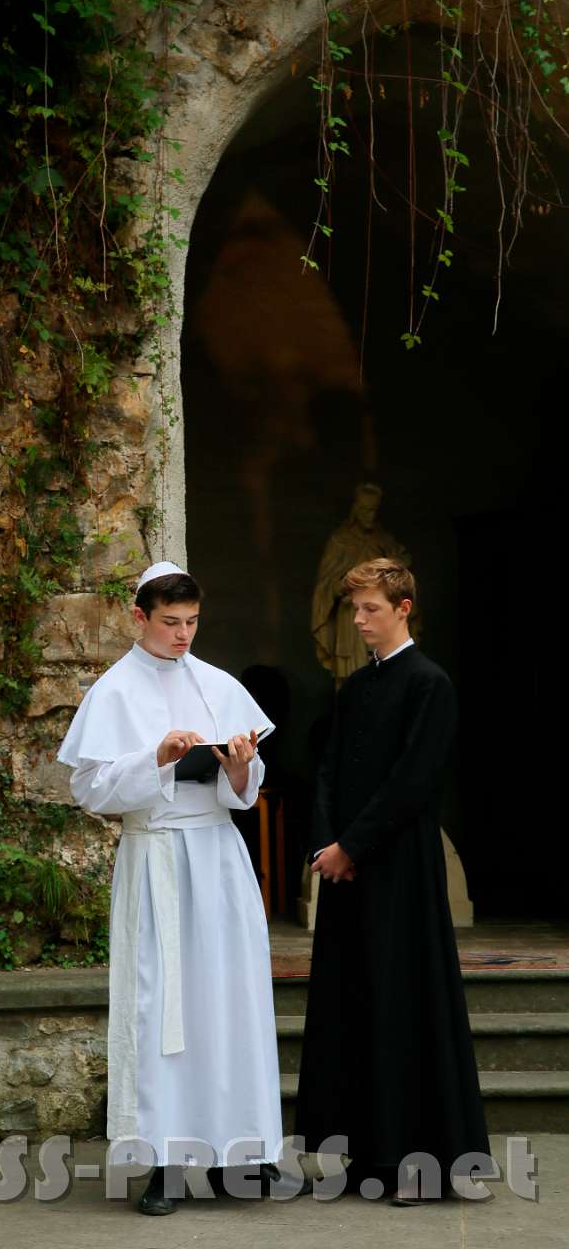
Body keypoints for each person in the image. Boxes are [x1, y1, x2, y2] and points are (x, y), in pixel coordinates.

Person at [57, 562, 283, 1214]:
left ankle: (237, 1153)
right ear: (138, 617)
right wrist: (154, 758)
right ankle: (162, 1163)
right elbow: (89, 788)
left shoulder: (216, 684)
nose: (182, 636)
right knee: (161, 1012)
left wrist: (240, 769)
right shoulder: (113, 691)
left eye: (191, 624)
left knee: (227, 1004)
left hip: (217, 858)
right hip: (155, 857)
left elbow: (247, 790)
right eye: (169, 623)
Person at [295, 558, 489, 1204]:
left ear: (402, 608)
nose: (358, 621)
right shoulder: (353, 688)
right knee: (355, 1004)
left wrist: (352, 845)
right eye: (354, 610)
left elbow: (413, 781)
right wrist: (326, 844)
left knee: (401, 1001)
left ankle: (414, 1161)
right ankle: (365, 1154)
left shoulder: (429, 684)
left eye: (369, 609)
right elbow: (325, 770)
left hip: (398, 873)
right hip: (349, 876)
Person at [311, 483, 411, 685]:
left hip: (381, 619)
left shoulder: (383, 540)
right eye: (365, 510)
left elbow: (403, 564)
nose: (370, 516)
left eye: (373, 510)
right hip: (350, 619)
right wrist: (341, 587)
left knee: (383, 679)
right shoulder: (340, 541)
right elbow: (326, 585)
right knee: (351, 681)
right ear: (356, 510)